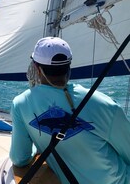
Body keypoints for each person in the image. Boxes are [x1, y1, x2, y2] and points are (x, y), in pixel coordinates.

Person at [9, 37, 130, 184]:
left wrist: (37, 145)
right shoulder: (106, 105)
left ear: (37, 67)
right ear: (69, 66)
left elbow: (20, 159)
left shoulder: (20, 104)